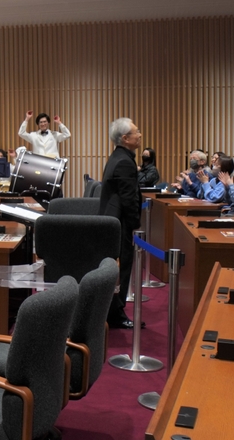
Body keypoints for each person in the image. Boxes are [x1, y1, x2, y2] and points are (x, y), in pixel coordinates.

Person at [98, 118, 142, 329]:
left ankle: (113, 311)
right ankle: (116, 313)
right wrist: (135, 224)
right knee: (122, 267)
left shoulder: (117, 156)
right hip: (119, 222)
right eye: (136, 132)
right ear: (125, 138)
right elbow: (128, 199)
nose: (139, 135)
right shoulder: (124, 161)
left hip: (112, 219)